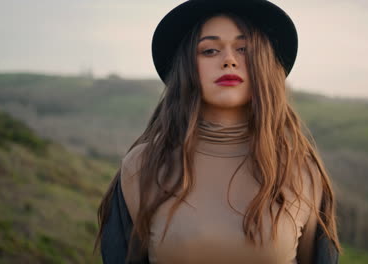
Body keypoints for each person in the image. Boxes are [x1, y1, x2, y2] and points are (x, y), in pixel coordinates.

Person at [95, 0, 341, 263]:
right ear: (187, 67)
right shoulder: (141, 167)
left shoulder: (302, 173)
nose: (229, 60)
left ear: (266, 64)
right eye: (210, 50)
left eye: (244, 49)